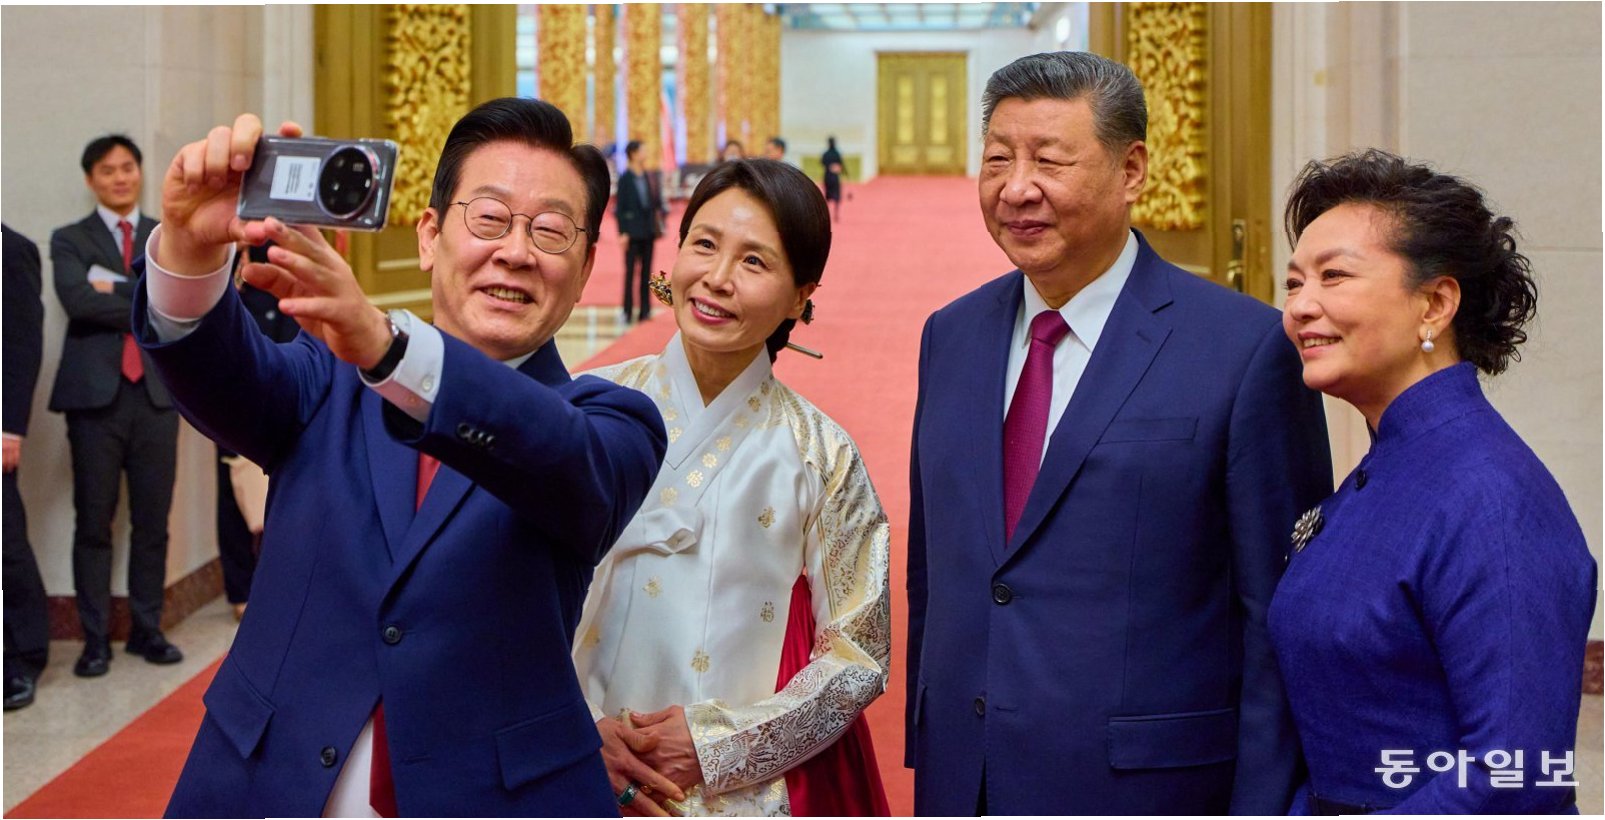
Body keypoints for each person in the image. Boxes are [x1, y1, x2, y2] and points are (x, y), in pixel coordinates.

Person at [140, 99, 667, 816]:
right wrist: (189, 252)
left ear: (583, 269)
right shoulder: (327, 380)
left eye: (549, 230)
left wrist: (391, 350)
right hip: (263, 781)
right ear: (429, 235)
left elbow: (562, 460)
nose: (515, 252)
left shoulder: (609, 423)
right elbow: (215, 373)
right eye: (489, 218)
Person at [904, 51, 1332, 815]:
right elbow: (935, 572)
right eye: (997, 160)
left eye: (1048, 161)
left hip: (1144, 786)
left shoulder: (1243, 349)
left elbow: (1279, 612)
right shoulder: (951, 335)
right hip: (963, 779)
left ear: (1131, 171)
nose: (1016, 188)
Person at [1273, 150, 1596, 814]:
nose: (1301, 306)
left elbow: (1515, 776)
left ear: (1435, 303)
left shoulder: (1491, 496)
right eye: (1293, 282)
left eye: (1334, 276)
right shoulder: (1388, 470)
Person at [574, 158, 890, 817]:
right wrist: (574, 728)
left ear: (800, 296)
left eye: (753, 261)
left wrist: (717, 746)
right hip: (571, 765)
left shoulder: (820, 454)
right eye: (705, 244)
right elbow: (502, 596)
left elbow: (858, 653)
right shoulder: (586, 407)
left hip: (732, 794)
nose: (717, 278)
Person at [48, 134, 183, 676]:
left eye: (128, 167)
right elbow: (77, 301)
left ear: (140, 173)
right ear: (91, 180)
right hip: (93, 400)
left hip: (157, 396)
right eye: (108, 170)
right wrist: (139, 295)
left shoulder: (164, 235)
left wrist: (113, 290)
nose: (120, 177)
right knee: (93, 522)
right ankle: (95, 640)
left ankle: (148, 630)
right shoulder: (69, 239)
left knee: (153, 521)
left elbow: (177, 302)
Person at [215, 242, 300, 622]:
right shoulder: (224, 253)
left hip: (282, 388)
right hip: (231, 392)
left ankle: (285, 583)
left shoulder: (280, 247)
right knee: (232, 494)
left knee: (287, 493)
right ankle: (240, 588)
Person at [3, 223, 48, 710]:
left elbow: (20, 344)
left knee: (6, 545)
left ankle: (22, 656)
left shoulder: (11, 250)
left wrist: (10, 427)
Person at [616, 140, 666, 324]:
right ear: (633, 154)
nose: (645, 154)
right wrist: (623, 232)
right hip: (631, 233)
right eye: (642, 151)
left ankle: (645, 310)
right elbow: (620, 208)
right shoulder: (625, 178)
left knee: (647, 273)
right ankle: (627, 310)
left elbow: (655, 203)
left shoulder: (648, 176)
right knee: (630, 273)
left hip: (648, 231)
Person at [819, 138, 843, 223]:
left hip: (827, 176)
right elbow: (841, 164)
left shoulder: (826, 153)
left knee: (827, 196)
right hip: (835, 177)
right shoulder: (837, 153)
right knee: (836, 197)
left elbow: (822, 163)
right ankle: (836, 214)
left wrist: (828, 166)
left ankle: (827, 214)